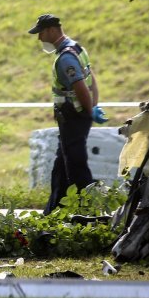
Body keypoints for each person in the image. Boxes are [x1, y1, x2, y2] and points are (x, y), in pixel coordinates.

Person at [28, 13, 107, 214]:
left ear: (52, 30)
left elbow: (80, 86)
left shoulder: (66, 58)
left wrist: (90, 111)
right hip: (77, 115)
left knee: (75, 165)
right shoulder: (77, 48)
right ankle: (54, 209)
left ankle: (86, 212)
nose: (39, 38)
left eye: (41, 33)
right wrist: (93, 106)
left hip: (73, 116)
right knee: (61, 164)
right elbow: (92, 78)